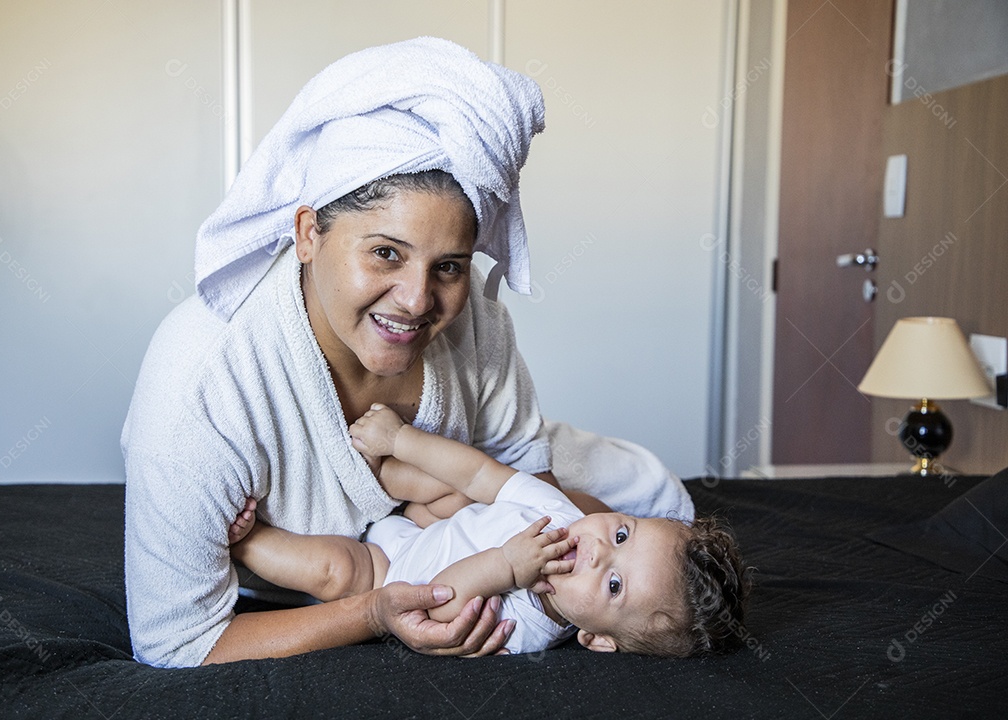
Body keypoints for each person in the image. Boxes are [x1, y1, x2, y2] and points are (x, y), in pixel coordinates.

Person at [122, 37, 692, 669]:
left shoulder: (473, 309)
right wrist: (371, 613)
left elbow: (520, 480)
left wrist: (561, 561)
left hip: (462, 509)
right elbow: (176, 645)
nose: (418, 301)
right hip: (358, 555)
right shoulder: (203, 383)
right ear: (309, 233)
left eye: (448, 265)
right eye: (386, 253)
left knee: (660, 505)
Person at [230, 404, 750, 656]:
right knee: (456, 489)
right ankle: (371, 474)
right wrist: (401, 438)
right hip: (424, 521)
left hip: (392, 571)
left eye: (614, 586)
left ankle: (246, 541)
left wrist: (506, 567)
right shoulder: (561, 516)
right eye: (621, 536)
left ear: (594, 639)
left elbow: (436, 604)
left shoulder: (525, 633)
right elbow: (482, 474)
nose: (595, 554)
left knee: (333, 571)